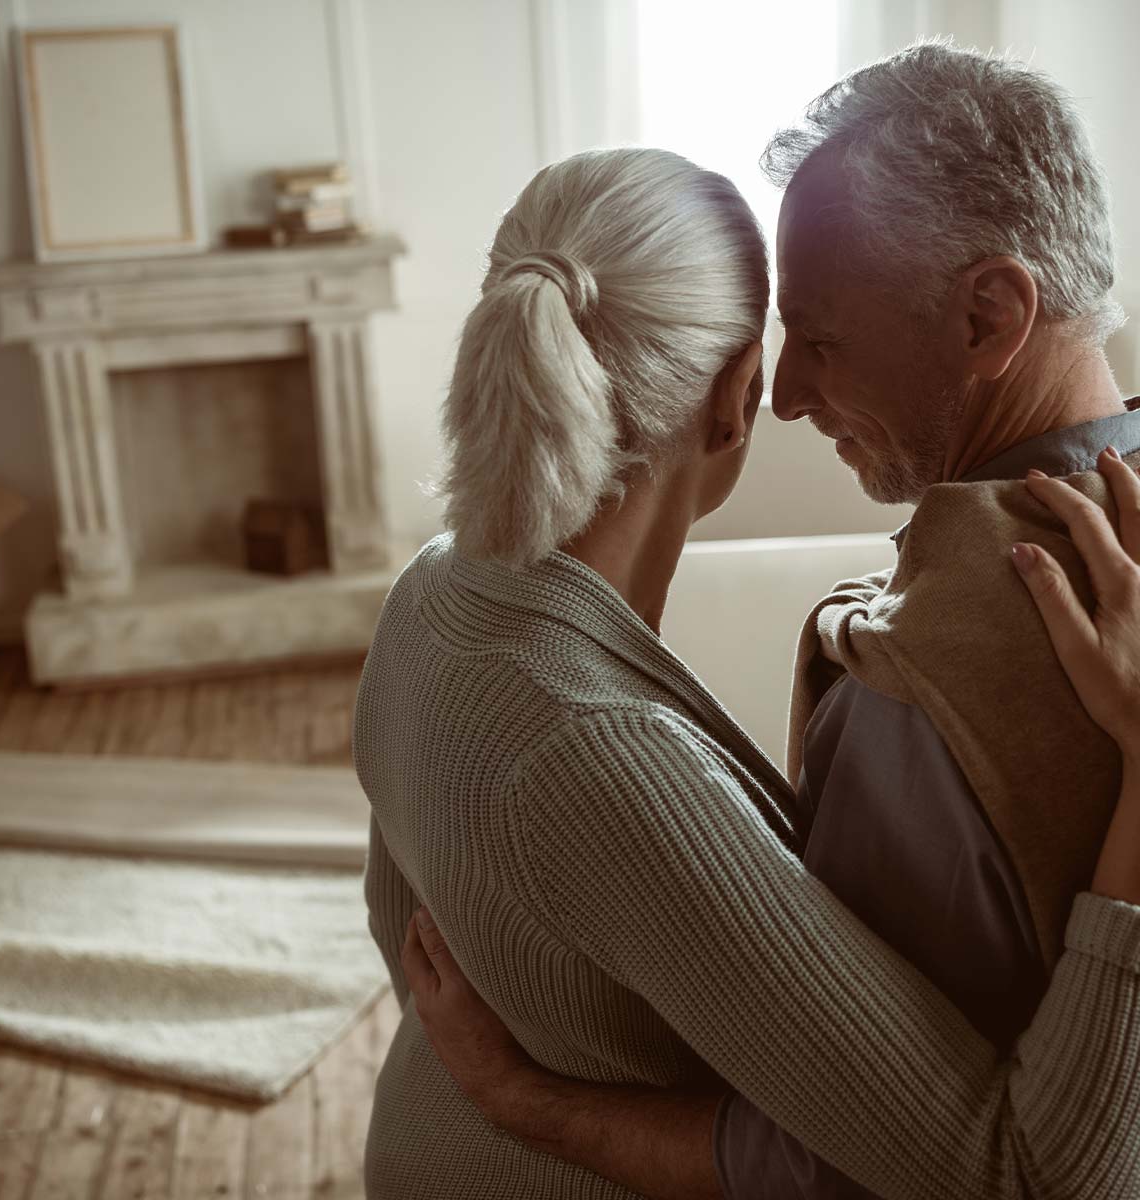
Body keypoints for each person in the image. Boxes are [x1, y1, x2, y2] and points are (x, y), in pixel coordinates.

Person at [353, 144, 1140, 1200]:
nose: (792, 398)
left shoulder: (428, 592)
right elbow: (1018, 1176)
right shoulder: (602, 755)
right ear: (735, 399)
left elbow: (403, 924)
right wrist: (531, 1107)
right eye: (787, 353)